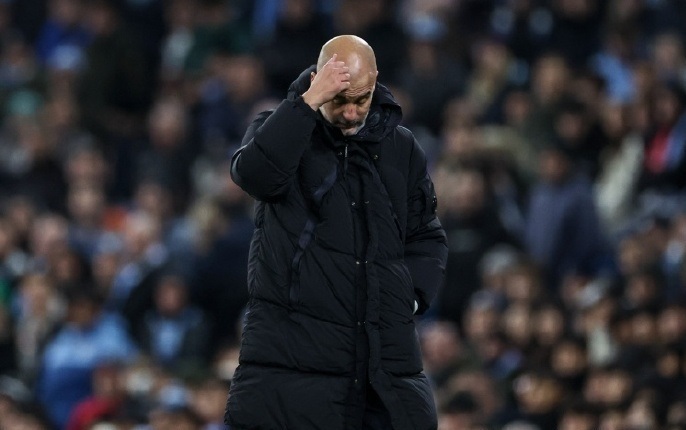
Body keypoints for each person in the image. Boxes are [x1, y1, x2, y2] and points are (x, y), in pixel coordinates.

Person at [225, 35, 448, 430]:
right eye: (339, 99)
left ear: (375, 80)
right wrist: (307, 103)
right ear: (318, 81)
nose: (350, 112)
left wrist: (409, 300)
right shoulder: (277, 127)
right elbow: (255, 176)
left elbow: (426, 234)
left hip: (384, 361)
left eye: (360, 99)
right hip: (293, 362)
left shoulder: (401, 147)